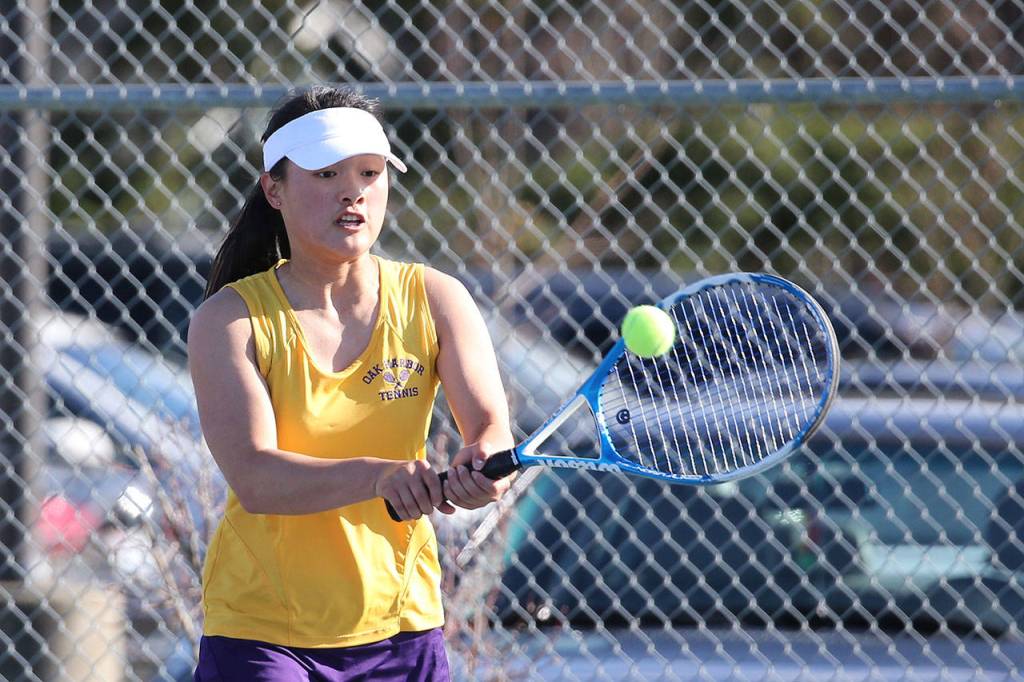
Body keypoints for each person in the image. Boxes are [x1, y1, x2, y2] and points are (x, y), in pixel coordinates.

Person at [188, 85, 515, 681]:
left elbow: (490, 430)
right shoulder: (228, 321)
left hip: (401, 628)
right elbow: (257, 478)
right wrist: (379, 476)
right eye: (326, 173)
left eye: (370, 172)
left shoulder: (437, 299)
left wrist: (483, 467)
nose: (352, 192)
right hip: (263, 636)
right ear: (274, 189)